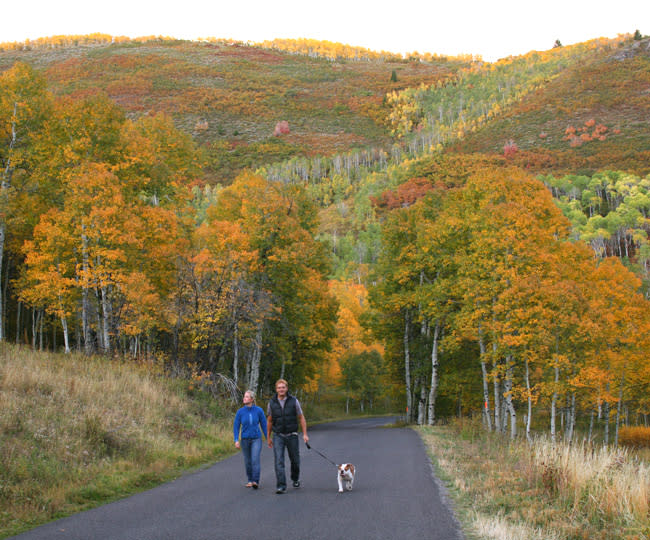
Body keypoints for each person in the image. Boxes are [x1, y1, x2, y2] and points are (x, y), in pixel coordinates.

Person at [267, 379, 309, 494]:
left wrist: (305, 434)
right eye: (279, 388)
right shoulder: (272, 403)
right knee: (279, 461)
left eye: (283, 387)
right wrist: (268, 437)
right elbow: (269, 421)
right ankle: (281, 486)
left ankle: (295, 478)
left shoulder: (294, 401)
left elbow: (301, 417)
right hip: (278, 435)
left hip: (292, 435)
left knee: (295, 460)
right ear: (276, 389)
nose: (281, 389)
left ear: (286, 388)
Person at [233, 389, 268, 489]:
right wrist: (236, 440)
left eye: (247, 396)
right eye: (244, 396)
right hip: (245, 440)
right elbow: (236, 426)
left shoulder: (259, 410)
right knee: (248, 461)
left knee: (255, 459)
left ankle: (255, 481)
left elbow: (264, 425)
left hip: (256, 439)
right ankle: (249, 480)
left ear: (252, 399)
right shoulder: (240, 412)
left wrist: (268, 438)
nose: (244, 398)